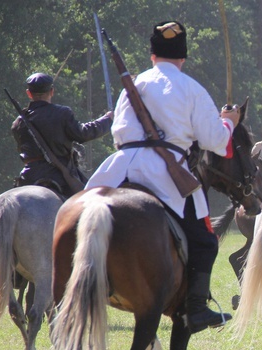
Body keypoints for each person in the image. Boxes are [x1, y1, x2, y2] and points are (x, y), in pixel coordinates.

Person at [85, 20, 240, 333]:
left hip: (119, 166)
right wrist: (228, 122)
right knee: (205, 242)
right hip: (165, 172)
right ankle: (196, 308)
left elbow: (118, 131)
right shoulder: (192, 88)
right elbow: (218, 143)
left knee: (77, 212)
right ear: (182, 58)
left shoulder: (138, 82)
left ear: (152, 54)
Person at [11, 72, 113, 198]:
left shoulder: (18, 123)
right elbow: (83, 133)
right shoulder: (62, 113)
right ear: (52, 91)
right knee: (91, 204)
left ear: (29, 93)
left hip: (28, 177)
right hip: (59, 176)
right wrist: (108, 120)